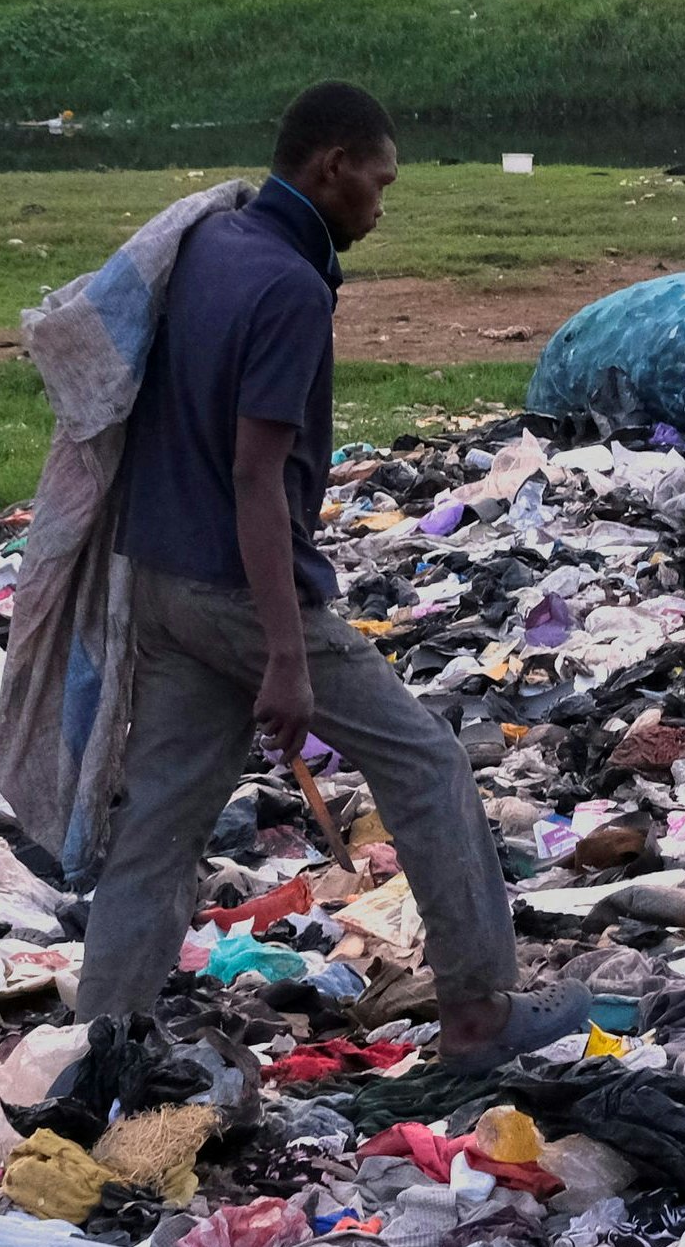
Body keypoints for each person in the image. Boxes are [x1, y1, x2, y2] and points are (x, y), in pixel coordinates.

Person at [73, 82, 565, 1066]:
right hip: (236, 588)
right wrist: (288, 656)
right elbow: (256, 475)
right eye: (377, 185)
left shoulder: (215, 242)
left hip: (160, 578)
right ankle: (478, 1009)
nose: (380, 208)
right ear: (329, 167)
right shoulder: (289, 288)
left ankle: (96, 1049)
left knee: (159, 832)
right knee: (424, 762)